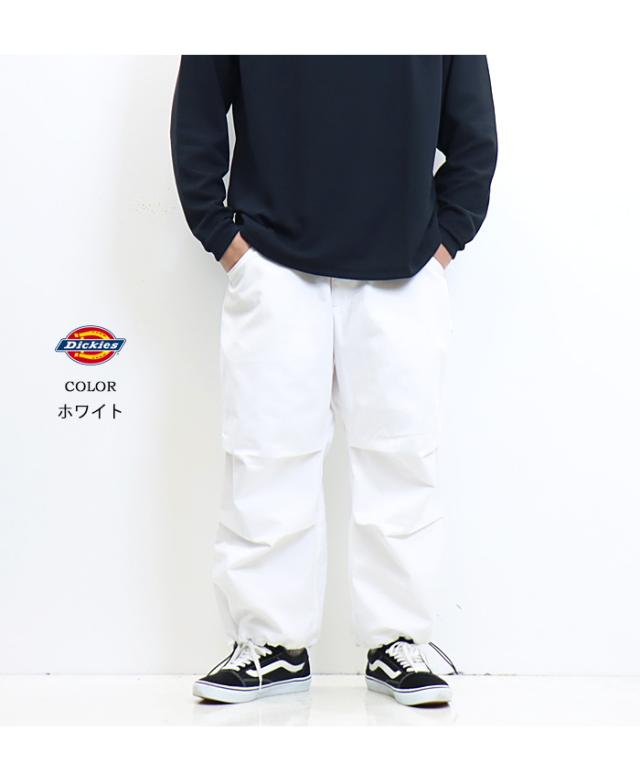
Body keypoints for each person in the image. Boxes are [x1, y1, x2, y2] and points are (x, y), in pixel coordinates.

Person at [170, 55, 497, 707]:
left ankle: (399, 640)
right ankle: (271, 642)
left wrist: (446, 238)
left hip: (403, 266)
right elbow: (199, 110)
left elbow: (473, 129)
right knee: (266, 453)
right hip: (272, 263)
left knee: (402, 456)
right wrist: (224, 238)